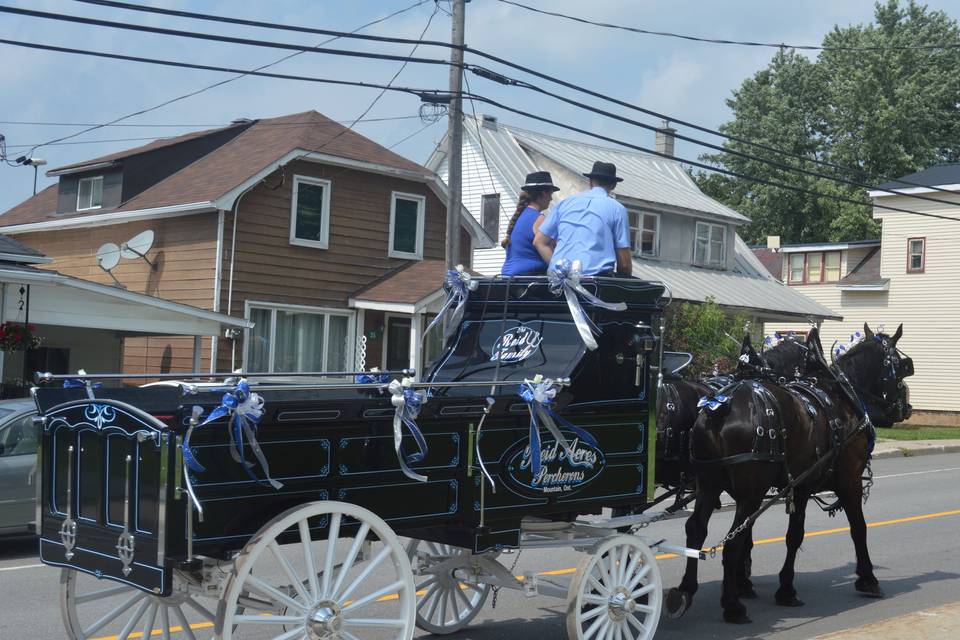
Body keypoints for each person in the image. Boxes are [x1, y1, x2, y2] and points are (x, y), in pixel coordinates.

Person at [534, 161, 632, 276]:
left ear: (590, 182)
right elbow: (624, 264)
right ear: (613, 185)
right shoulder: (617, 209)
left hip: (559, 281)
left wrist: (558, 269)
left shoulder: (564, 203)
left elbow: (539, 241)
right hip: (596, 281)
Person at [500, 171, 560, 276]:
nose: (551, 199)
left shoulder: (519, 216)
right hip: (530, 279)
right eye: (550, 194)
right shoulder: (540, 219)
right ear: (544, 194)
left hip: (508, 277)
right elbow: (553, 249)